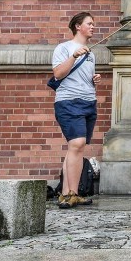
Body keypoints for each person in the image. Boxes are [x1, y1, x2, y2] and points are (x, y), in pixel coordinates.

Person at [52, 12, 102, 209]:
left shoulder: (91, 54)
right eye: (89, 23)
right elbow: (58, 74)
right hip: (68, 101)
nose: (93, 27)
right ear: (78, 26)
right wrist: (73, 56)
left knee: (77, 148)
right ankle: (71, 193)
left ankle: (67, 194)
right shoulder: (63, 48)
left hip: (88, 101)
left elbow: (82, 78)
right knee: (77, 143)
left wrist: (94, 80)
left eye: (93, 23)